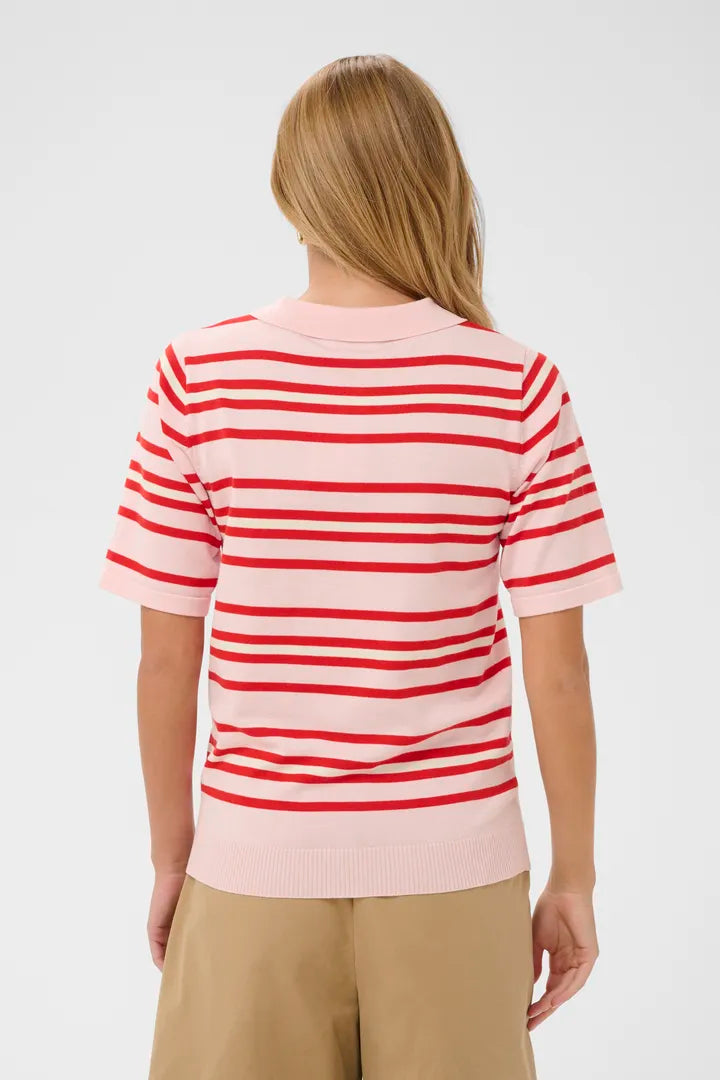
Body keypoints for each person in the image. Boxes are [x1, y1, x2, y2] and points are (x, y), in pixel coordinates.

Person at [100, 53, 622, 1080]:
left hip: (252, 869)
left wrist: (173, 857)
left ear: (290, 189)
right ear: (440, 183)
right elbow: (559, 672)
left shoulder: (200, 376)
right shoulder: (515, 386)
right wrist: (574, 878)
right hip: (457, 875)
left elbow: (164, 659)